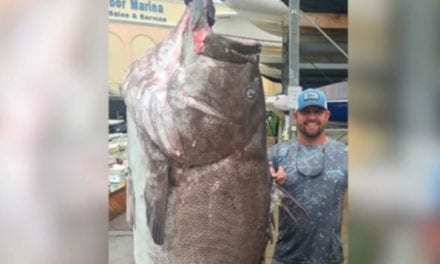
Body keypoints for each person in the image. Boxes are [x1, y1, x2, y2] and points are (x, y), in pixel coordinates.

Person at [268, 88, 347, 264]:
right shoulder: (277, 154)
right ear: (296, 116)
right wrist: (268, 181)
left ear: (326, 115)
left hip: (330, 258)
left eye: (317, 111)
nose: (312, 117)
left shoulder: (345, 154)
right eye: (306, 112)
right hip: (286, 258)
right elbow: (249, 186)